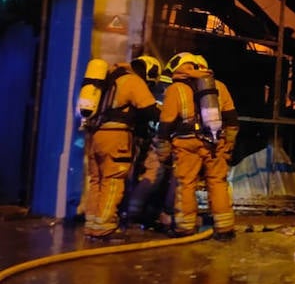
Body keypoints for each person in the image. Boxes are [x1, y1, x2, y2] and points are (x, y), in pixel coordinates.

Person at [153, 52, 239, 240]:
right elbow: (232, 119)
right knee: (217, 183)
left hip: (186, 143)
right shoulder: (219, 86)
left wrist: (163, 149)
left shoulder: (176, 89)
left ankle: (185, 228)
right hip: (215, 142)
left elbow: (166, 124)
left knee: (186, 184)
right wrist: (229, 144)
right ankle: (224, 228)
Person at [79, 57, 159, 239]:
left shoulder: (110, 79)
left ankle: (92, 224)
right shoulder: (133, 81)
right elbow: (149, 110)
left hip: (96, 136)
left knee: (97, 181)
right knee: (113, 181)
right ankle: (104, 227)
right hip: (116, 137)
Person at [123, 55, 172, 227]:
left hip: (125, 137)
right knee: (153, 173)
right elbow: (152, 113)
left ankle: (125, 213)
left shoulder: (120, 80)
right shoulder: (138, 85)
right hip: (134, 139)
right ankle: (133, 215)